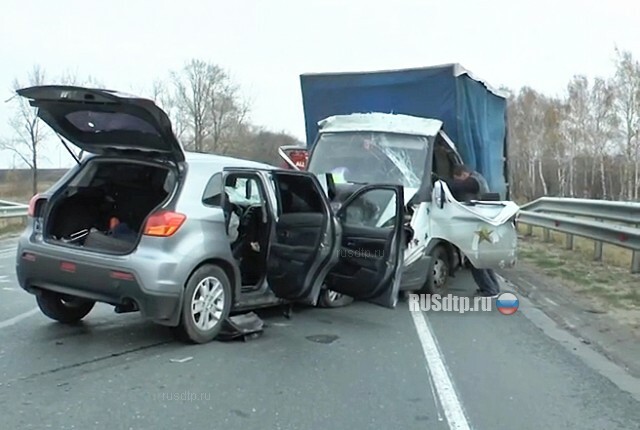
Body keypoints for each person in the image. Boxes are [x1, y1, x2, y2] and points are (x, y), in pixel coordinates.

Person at [448, 164, 501, 298]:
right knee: (482, 258)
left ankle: (489, 289)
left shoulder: (474, 181)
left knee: (474, 258)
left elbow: (458, 187)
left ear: (464, 175)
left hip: (478, 225)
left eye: (458, 179)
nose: (458, 182)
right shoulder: (478, 179)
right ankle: (493, 288)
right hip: (482, 224)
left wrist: (441, 184)